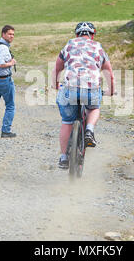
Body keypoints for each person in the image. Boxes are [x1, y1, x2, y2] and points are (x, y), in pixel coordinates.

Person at [53, 22, 115, 169]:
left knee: (67, 121)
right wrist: (111, 91)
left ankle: (63, 158)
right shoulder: (98, 47)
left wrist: (56, 86)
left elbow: (57, 68)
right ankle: (89, 130)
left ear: (76, 34)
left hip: (70, 87)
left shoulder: (68, 45)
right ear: (92, 35)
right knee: (93, 108)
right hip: (91, 87)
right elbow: (109, 74)